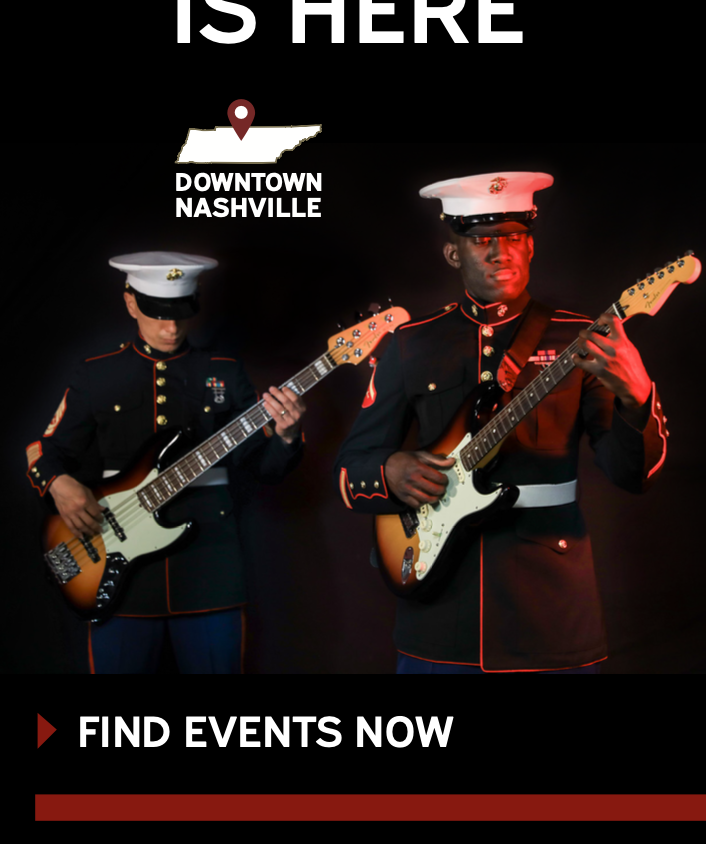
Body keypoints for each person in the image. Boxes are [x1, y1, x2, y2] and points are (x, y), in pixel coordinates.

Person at [334, 172, 668, 674]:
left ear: (530, 247)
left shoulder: (585, 338)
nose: (499, 253)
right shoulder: (410, 343)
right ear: (453, 254)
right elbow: (351, 469)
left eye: (513, 238)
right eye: (481, 240)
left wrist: (637, 394)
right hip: (438, 612)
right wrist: (392, 472)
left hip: (550, 611)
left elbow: (632, 473)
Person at [26, 251, 305, 674]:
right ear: (131, 302)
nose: (171, 326)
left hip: (210, 571)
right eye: (158, 312)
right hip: (112, 569)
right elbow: (46, 450)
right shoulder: (96, 374)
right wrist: (60, 484)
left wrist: (286, 437)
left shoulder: (224, 373)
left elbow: (263, 468)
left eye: (180, 312)